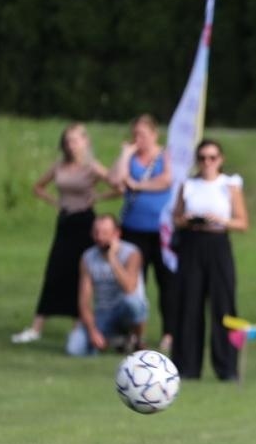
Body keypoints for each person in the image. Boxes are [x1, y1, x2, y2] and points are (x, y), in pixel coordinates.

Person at [12, 123, 122, 343]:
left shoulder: (92, 167)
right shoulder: (60, 166)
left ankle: (78, 323)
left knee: (80, 272)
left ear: (85, 142)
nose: (71, 145)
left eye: (75, 140)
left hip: (85, 222)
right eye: (68, 141)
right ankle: (37, 326)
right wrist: (56, 202)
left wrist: (99, 197)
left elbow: (117, 186)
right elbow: (38, 187)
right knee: (55, 270)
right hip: (65, 221)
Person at [171, 138, 248, 380]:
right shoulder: (189, 185)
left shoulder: (229, 185)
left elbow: (243, 222)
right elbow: (176, 217)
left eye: (212, 157)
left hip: (218, 243)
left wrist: (220, 220)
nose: (207, 162)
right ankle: (187, 366)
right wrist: (190, 218)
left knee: (223, 305)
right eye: (202, 158)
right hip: (192, 243)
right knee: (189, 305)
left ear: (220, 160)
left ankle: (227, 367)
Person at [112, 114, 175, 353]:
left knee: (167, 282)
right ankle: (135, 333)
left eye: (144, 134)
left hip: (161, 231)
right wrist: (126, 154)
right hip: (132, 229)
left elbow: (166, 180)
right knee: (134, 283)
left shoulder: (164, 155)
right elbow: (116, 181)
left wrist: (137, 185)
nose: (139, 139)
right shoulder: (130, 157)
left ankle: (170, 332)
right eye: (135, 134)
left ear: (154, 134)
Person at [67, 214, 148, 356]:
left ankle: (138, 340)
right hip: (103, 313)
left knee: (134, 303)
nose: (99, 237)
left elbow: (129, 288)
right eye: (96, 232)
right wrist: (93, 332)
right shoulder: (88, 257)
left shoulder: (132, 253)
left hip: (125, 309)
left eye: (105, 233)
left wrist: (112, 258)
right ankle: (117, 340)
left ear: (117, 233)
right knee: (74, 349)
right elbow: (84, 301)